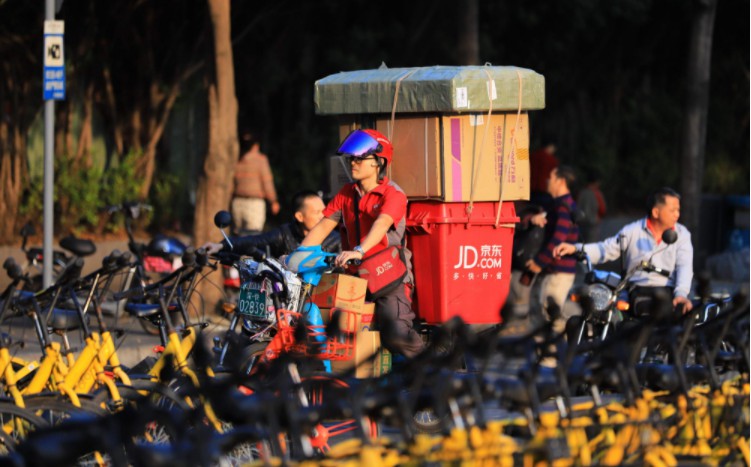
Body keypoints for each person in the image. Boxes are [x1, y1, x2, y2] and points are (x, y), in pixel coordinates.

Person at [294, 129, 424, 358]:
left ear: (378, 163)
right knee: (330, 327)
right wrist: (296, 256)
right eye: (351, 158)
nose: (353, 163)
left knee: (395, 333)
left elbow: (382, 224)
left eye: (359, 158)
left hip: (389, 277)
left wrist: (359, 250)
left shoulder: (393, 194)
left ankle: (433, 370)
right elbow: (324, 226)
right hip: (356, 276)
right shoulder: (346, 193)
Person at [554, 187, 694, 313]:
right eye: (672, 210)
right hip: (635, 291)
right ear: (656, 212)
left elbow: (685, 267)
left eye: (678, 210)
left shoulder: (682, 234)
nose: (677, 214)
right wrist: (575, 248)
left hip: (667, 294)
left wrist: (680, 294)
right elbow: (606, 249)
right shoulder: (632, 230)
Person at [202, 190, 340, 257]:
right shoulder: (284, 234)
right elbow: (254, 241)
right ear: (299, 216)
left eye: (325, 211)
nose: (323, 216)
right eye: (317, 212)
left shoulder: (336, 239)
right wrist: (221, 245)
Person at [525, 165, 579, 331]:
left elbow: (558, 239)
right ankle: (541, 355)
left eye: (551, 177)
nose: (548, 181)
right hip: (551, 269)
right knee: (539, 316)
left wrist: (539, 262)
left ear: (561, 181)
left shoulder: (563, 207)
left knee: (550, 319)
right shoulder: (556, 205)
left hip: (557, 271)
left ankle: (552, 356)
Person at [231, 131, 280, 234]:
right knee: (254, 236)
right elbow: (267, 182)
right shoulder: (260, 160)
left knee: (239, 236)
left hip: (237, 202)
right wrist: (273, 200)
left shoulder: (235, 160)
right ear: (255, 145)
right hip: (254, 203)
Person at [576, 168, 607, 243]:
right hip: (593, 225)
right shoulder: (597, 194)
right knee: (591, 247)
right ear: (597, 182)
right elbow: (603, 210)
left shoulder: (581, 193)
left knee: (580, 247)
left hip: (581, 224)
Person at [529, 144, 559, 215]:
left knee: (530, 211)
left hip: (531, 188)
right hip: (544, 190)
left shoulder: (533, 155)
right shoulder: (552, 160)